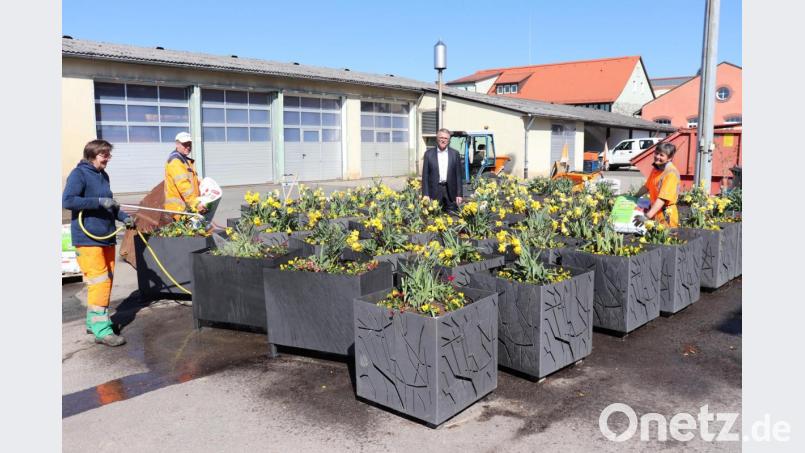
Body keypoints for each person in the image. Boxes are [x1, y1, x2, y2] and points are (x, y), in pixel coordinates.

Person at [62, 139, 133, 347]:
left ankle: (93, 322)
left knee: (105, 281)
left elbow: (109, 204)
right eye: (104, 155)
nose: (108, 159)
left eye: (109, 155)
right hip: (88, 238)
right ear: (92, 155)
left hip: (106, 236)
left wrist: (123, 216)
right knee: (99, 282)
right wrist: (97, 202)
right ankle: (102, 331)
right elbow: (67, 201)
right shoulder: (79, 174)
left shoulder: (103, 175)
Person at [634, 142, 681, 228]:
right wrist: (634, 197)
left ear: (669, 158)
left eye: (661, 155)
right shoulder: (656, 169)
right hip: (655, 212)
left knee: (665, 239)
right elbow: (646, 187)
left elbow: (662, 199)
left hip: (666, 215)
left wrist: (647, 216)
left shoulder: (671, 173)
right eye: (656, 153)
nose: (657, 157)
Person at [164, 131, 206, 220]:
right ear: (177, 144)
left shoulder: (184, 160)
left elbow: (189, 180)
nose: (188, 147)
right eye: (184, 144)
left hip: (185, 207)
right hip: (179, 210)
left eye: (189, 144)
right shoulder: (176, 161)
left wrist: (199, 182)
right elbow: (184, 186)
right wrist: (195, 204)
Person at [422, 128, 463, 212]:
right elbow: (425, 176)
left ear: (449, 140)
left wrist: (459, 194)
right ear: (437, 138)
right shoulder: (428, 154)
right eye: (441, 138)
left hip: (451, 191)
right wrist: (425, 194)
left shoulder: (455, 154)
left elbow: (458, 176)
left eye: (446, 138)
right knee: (433, 216)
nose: (443, 140)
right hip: (434, 191)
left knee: (452, 216)